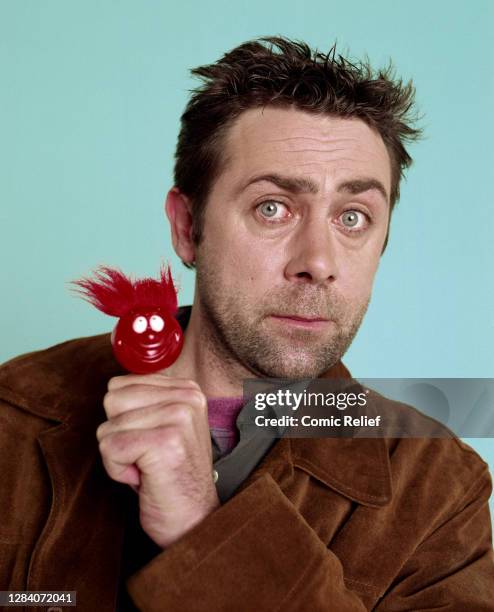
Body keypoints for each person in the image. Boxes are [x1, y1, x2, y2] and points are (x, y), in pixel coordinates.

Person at [0, 37, 493, 611]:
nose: (319, 262)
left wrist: (202, 528)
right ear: (188, 227)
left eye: (353, 217)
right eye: (272, 207)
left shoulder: (438, 487)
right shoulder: (12, 415)